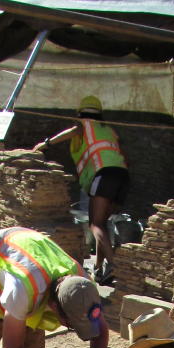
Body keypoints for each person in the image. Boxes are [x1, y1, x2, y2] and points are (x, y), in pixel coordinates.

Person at [33, 95, 129, 285]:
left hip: (104, 175)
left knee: (95, 225)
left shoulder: (84, 126)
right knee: (102, 223)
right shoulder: (109, 130)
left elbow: (71, 131)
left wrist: (45, 144)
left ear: (80, 113)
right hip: (122, 177)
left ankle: (116, 266)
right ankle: (100, 270)